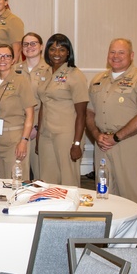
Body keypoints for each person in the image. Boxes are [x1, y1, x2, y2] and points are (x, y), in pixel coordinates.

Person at [85, 38, 137, 210]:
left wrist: (116, 137)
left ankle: (133, 237)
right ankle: (108, 235)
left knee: (131, 195)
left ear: (131, 55)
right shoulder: (98, 80)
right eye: (112, 52)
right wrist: (97, 135)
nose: (116, 56)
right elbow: (89, 112)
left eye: (121, 52)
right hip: (102, 144)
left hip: (129, 144)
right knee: (104, 193)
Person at [36, 34, 89, 186]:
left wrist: (77, 143)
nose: (56, 54)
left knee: (68, 179)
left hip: (67, 134)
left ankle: (69, 210)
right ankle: (50, 209)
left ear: (68, 52)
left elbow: (82, 114)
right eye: (52, 49)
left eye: (61, 49)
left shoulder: (75, 75)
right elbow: (43, 106)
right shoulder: (45, 72)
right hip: (46, 133)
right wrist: (39, 136)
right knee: (46, 179)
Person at [0, 43, 37, 178]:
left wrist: (23, 141)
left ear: (13, 60)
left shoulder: (21, 81)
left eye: (7, 56)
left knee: (16, 181)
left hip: (15, 139)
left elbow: (30, 114)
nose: (2, 60)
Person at [17, 33, 52, 178]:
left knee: (41, 175)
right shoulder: (14, 69)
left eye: (33, 43)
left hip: (41, 129)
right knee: (19, 173)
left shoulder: (50, 70)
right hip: (18, 128)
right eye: (25, 44)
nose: (29, 47)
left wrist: (37, 127)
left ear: (41, 46)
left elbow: (50, 103)